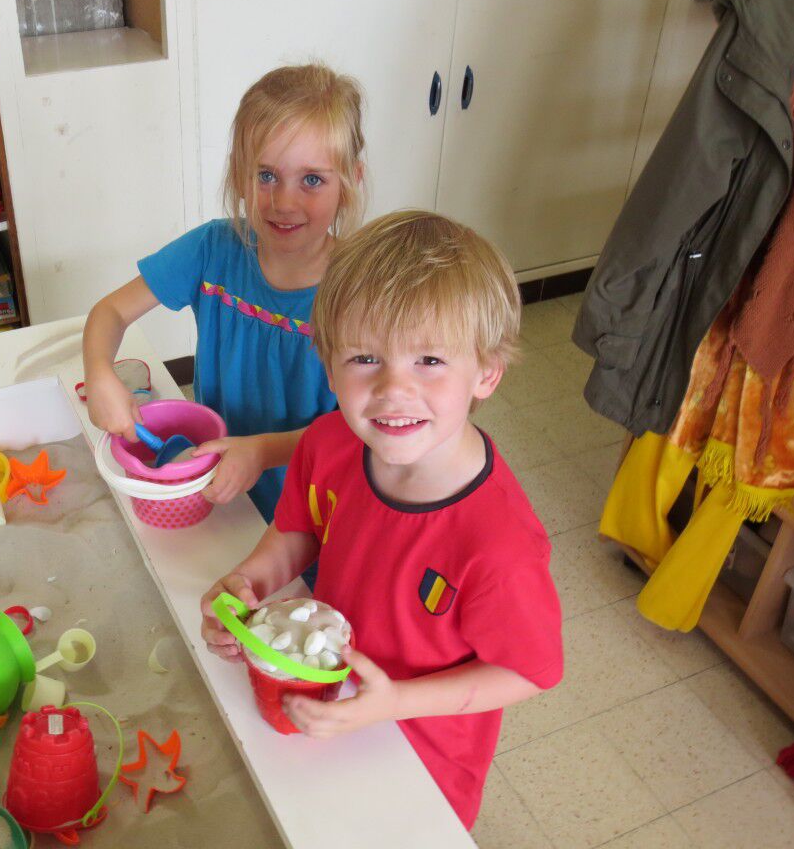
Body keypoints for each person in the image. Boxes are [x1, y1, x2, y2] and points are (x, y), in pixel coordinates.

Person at [199, 210, 564, 827]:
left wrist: (392, 702)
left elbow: (527, 671)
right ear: (328, 364)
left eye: (430, 360)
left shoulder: (499, 544)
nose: (394, 389)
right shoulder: (329, 442)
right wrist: (251, 581)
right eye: (365, 358)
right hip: (320, 710)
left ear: (486, 372)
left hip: (421, 765)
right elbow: (300, 530)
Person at [82, 63, 366, 523]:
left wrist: (262, 452)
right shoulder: (213, 249)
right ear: (239, 174)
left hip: (310, 511)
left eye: (312, 179)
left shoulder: (361, 293)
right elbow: (110, 311)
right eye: (266, 175)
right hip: (218, 496)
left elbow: (363, 428)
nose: (284, 202)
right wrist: (99, 374)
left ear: (349, 183)